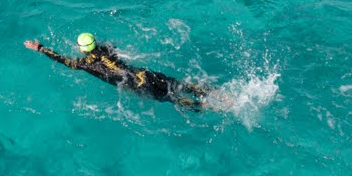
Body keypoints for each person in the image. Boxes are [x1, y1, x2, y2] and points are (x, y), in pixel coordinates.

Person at [24, 33, 212, 109]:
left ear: (82, 49)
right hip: (142, 74)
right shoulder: (107, 48)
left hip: (134, 86)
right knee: (178, 85)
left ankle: (208, 107)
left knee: (172, 99)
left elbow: (63, 60)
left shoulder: (85, 64)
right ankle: (214, 93)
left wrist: (41, 48)